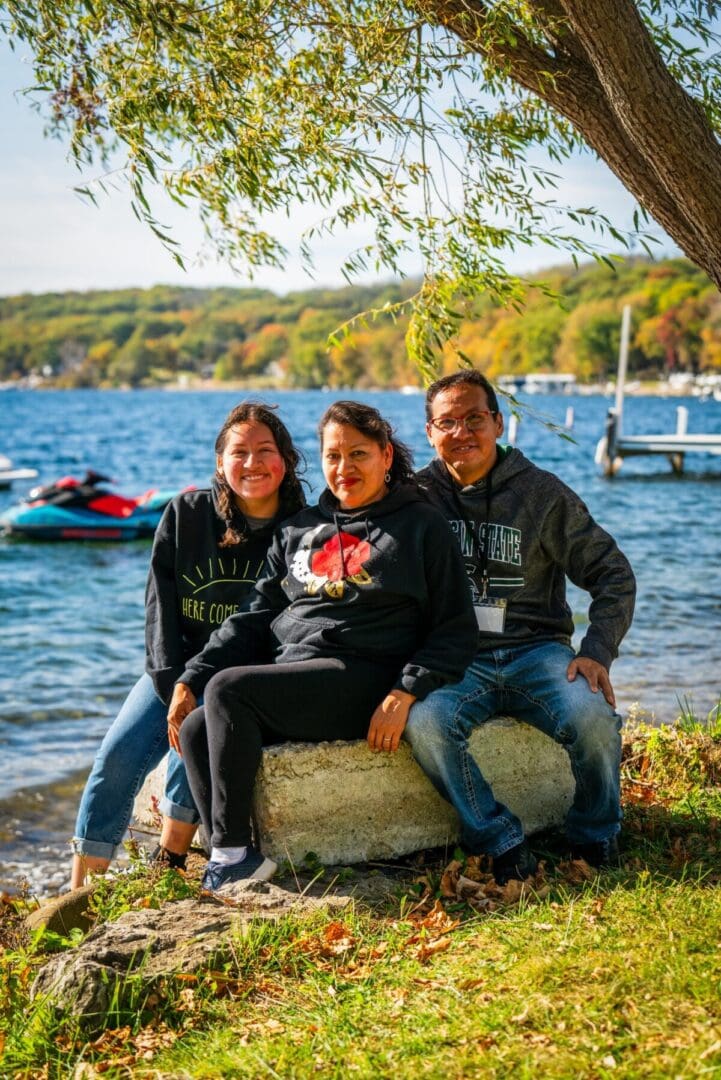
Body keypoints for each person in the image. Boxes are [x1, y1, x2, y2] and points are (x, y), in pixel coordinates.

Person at [168, 401, 477, 897]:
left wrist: (405, 691)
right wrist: (191, 676)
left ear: (386, 456)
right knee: (197, 721)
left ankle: (228, 859)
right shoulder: (298, 529)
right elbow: (252, 616)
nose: (344, 468)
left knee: (228, 690)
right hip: (301, 677)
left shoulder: (420, 526)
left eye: (358, 454)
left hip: (365, 678)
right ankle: (236, 854)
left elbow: (456, 629)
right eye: (333, 456)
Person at [403, 369, 636, 883]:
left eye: (474, 419)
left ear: (498, 423)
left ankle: (596, 835)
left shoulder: (542, 494)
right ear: (429, 432)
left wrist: (597, 651)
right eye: (447, 422)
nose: (461, 432)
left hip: (538, 653)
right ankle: (499, 840)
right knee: (425, 724)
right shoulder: (413, 497)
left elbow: (612, 573)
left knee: (593, 717)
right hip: (455, 659)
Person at [70, 403, 305, 888]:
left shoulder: (302, 529)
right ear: (220, 461)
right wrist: (173, 680)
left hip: (239, 677)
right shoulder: (187, 514)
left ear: (287, 460)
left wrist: (200, 686)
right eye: (239, 452)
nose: (253, 463)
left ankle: (171, 861)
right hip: (174, 668)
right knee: (115, 756)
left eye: (266, 451)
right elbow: (160, 609)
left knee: (191, 743)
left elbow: (280, 626)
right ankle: (80, 890)